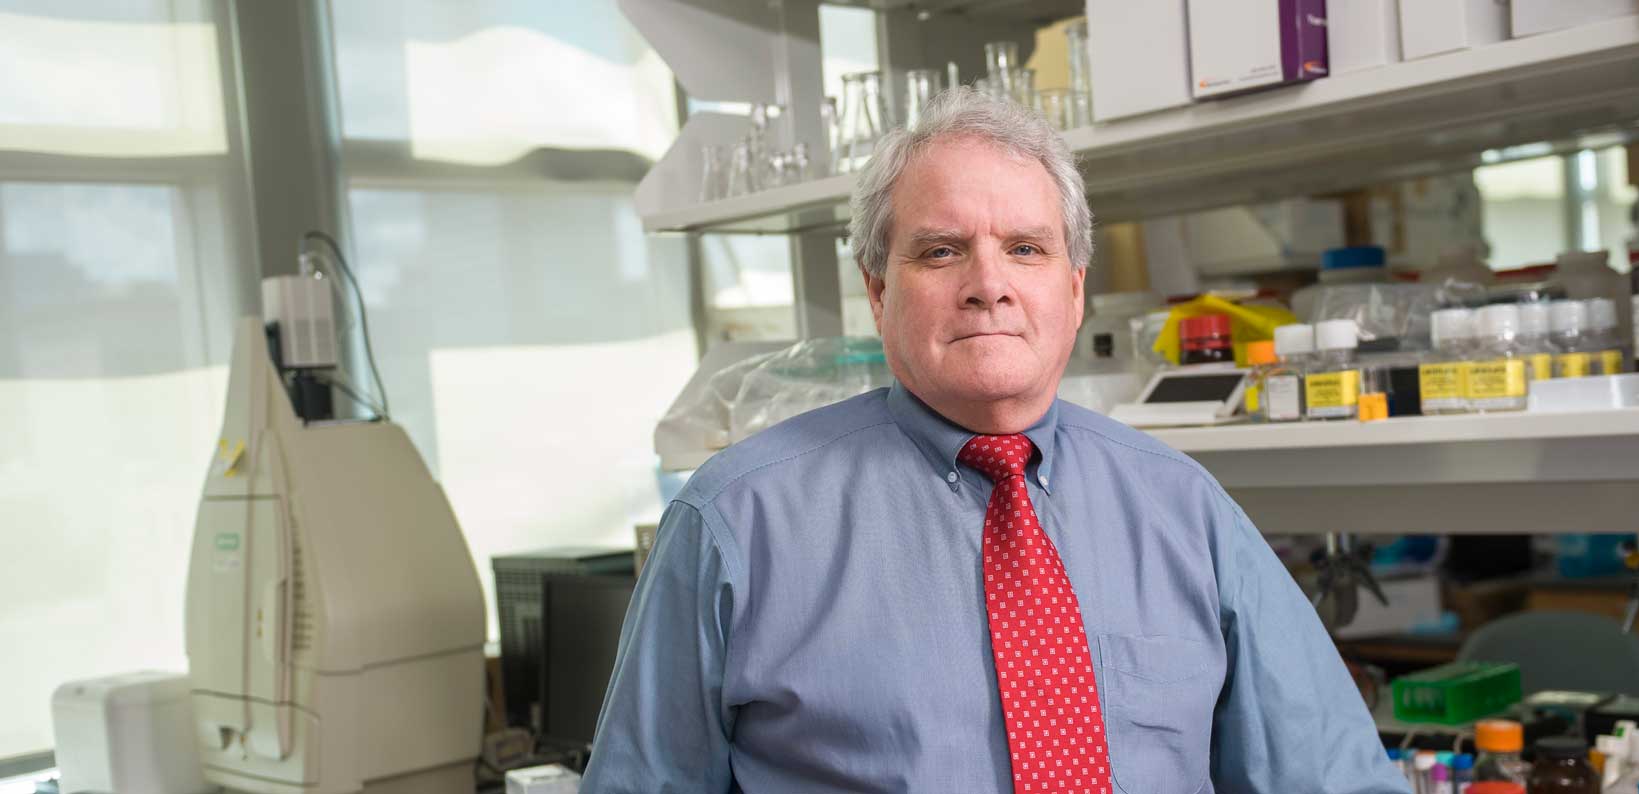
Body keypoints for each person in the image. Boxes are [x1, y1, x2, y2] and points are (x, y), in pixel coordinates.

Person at [582, 87, 1406, 794]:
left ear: (1074, 290)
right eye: (941, 251)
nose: (988, 286)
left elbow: (1330, 777)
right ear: (877, 291)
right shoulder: (736, 522)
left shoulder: (1184, 509)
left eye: (1025, 248)